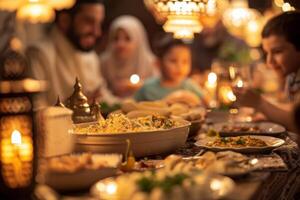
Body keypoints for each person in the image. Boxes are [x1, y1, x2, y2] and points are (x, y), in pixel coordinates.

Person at [26, 0, 117, 105]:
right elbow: (36, 112)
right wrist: (74, 106)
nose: (97, 32)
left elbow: (103, 98)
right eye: (89, 22)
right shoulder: (38, 54)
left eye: (99, 23)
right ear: (64, 20)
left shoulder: (90, 56)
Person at [234, 11, 300, 131]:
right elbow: (292, 110)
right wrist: (271, 115)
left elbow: (298, 121)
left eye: (277, 51)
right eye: (267, 53)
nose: (269, 62)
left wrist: (259, 103)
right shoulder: (292, 76)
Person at [134, 37, 206, 106]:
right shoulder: (147, 87)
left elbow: (206, 105)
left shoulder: (190, 86)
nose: (179, 67)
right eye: (173, 61)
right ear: (158, 63)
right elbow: (134, 107)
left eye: (185, 61)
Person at [100, 15, 157, 98]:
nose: (120, 44)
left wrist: (139, 86)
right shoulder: (104, 62)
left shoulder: (150, 63)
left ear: (138, 40)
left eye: (127, 39)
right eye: (116, 38)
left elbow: (157, 89)